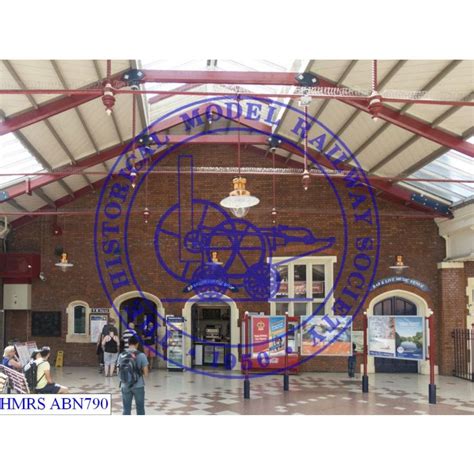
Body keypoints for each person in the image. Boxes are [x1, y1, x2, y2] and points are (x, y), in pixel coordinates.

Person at [117, 335, 148, 415]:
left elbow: (118, 371)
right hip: (138, 385)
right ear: (137, 344)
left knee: (126, 409)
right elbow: (146, 373)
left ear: (128, 343)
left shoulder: (121, 355)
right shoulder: (141, 355)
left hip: (125, 384)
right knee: (140, 409)